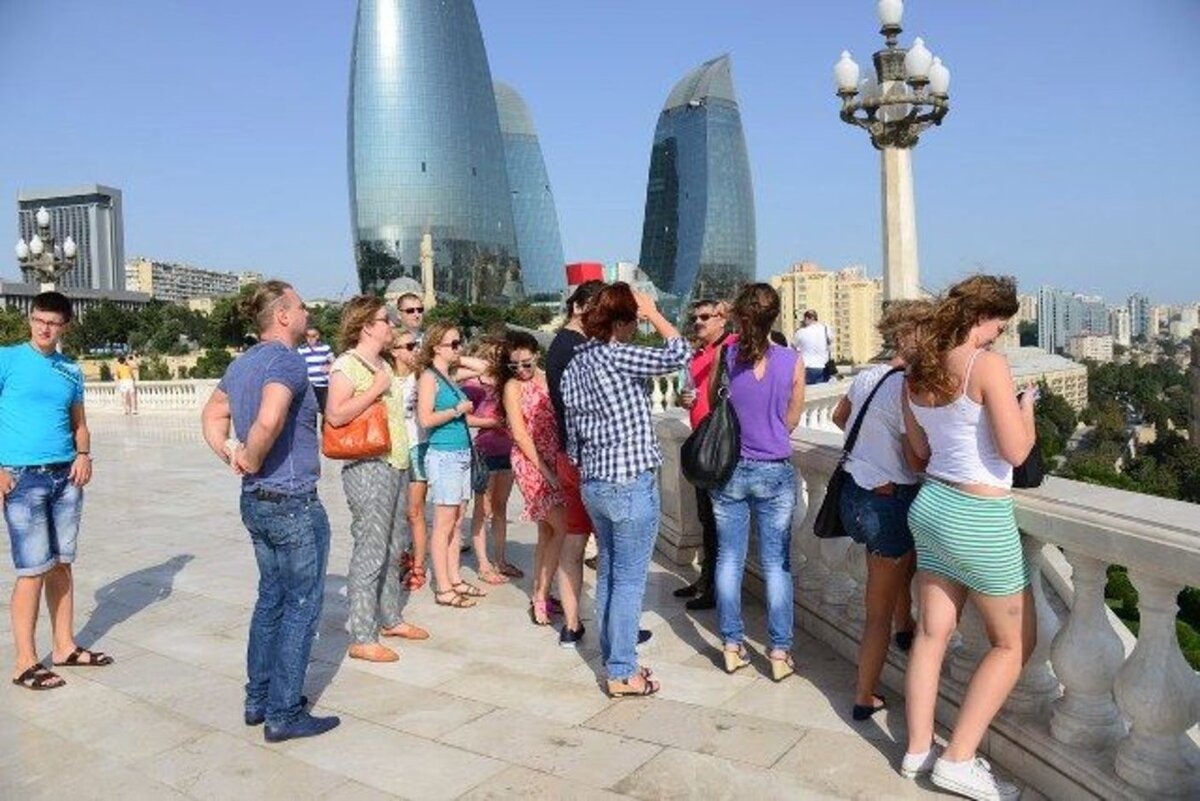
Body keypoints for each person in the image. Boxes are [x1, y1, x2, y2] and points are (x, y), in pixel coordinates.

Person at [899, 275, 1035, 800]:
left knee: (932, 636)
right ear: (985, 316)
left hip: (931, 504)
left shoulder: (918, 372)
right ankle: (957, 758)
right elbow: (1016, 452)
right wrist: (1025, 410)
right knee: (1015, 643)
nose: (1001, 333)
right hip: (978, 515)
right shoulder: (987, 365)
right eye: (1001, 323)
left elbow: (920, 453)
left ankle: (917, 749)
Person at [200, 280, 340, 742]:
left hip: (256, 500)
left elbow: (212, 414)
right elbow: (271, 416)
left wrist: (230, 455)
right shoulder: (286, 361)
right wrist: (252, 455)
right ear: (282, 315)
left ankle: (257, 699)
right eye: (301, 307)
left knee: (270, 600)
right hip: (292, 502)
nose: (307, 314)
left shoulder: (242, 363)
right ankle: (283, 712)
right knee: (300, 604)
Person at [561, 283, 688, 696]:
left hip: (595, 482)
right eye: (634, 320)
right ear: (620, 321)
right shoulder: (618, 354)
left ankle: (616, 659)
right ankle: (621, 671)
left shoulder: (576, 363)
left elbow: (573, 430)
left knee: (612, 575)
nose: (638, 326)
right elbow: (679, 353)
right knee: (629, 581)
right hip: (629, 483)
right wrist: (655, 313)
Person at [2, 292, 110, 692]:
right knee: (31, 571)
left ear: (65, 326)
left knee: (61, 563)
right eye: (39, 320)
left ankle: (64, 646)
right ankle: (25, 662)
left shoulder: (70, 370)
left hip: (66, 476)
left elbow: (78, 421)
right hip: (22, 477)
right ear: (30, 320)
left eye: (54, 323)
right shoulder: (7, 359)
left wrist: (84, 454)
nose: (45, 328)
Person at [830, 300, 932, 722]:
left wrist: (873, 450)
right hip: (886, 501)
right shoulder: (908, 386)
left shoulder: (868, 375)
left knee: (898, 568)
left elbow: (839, 418)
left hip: (853, 494)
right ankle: (864, 695)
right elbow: (917, 460)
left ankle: (904, 624)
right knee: (876, 612)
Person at [324, 296, 427, 664]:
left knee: (393, 544)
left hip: (395, 462)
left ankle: (390, 617)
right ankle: (363, 633)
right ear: (366, 326)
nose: (391, 325)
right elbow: (334, 416)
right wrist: (374, 389)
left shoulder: (381, 362)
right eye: (385, 320)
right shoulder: (346, 366)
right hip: (367, 466)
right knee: (370, 547)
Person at [710, 284, 806, 682]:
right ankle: (780, 652)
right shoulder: (793, 360)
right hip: (774, 468)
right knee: (776, 565)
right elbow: (793, 418)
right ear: (776, 317)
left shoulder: (728, 355)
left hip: (731, 469)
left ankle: (732, 645)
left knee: (729, 559)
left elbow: (718, 406)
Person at [500, 331, 578, 641]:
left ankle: (541, 591)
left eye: (526, 363)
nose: (521, 370)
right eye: (514, 365)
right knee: (560, 528)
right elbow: (519, 435)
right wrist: (545, 471)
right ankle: (540, 596)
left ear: (536, 356)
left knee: (547, 531)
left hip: (556, 458)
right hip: (531, 463)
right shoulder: (511, 387)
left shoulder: (549, 378)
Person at [416, 321, 484, 609]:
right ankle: (443, 586)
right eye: (453, 344)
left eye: (460, 342)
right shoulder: (429, 378)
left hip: (460, 453)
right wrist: (457, 409)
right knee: (443, 524)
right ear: (435, 347)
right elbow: (425, 419)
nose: (459, 348)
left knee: (457, 522)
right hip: (443, 454)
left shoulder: (449, 375)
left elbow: (482, 367)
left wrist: (455, 353)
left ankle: (454, 578)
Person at [675, 299, 735, 611]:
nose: (698, 322)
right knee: (706, 518)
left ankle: (716, 588)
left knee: (719, 521)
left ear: (723, 318)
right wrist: (685, 400)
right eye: (695, 317)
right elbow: (691, 395)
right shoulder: (697, 353)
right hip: (701, 442)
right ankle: (706, 580)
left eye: (705, 317)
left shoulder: (733, 348)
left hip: (722, 444)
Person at [545, 280, 604, 582]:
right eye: (596, 310)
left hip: (570, 452)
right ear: (578, 307)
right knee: (604, 541)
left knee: (576, 535)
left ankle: (572, 622)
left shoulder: (564, 344)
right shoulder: (576, 347)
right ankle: (613, 624)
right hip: (587, 455)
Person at [460, 339, 514, 586]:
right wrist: (492, 423)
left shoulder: (510, 384)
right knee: (483, 510)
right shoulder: (473, 385)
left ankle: (501, 559)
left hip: (508, 451)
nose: (496, 361)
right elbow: (463, 419)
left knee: (500, 508)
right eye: (492, 356)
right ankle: (483, 564)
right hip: (485, 452)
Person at [297, 326, 334, 411]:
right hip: (309, 386)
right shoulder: (301, 350)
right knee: (310, 410)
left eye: (313, 336)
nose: (310, 339)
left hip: (323, 385)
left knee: (325, 409)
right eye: (308, 336)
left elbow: (335, 363)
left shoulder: (325, 348)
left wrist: (329, 367)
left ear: (318, 336)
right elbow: (298, 365)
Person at [792, 310, 833, 385]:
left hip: (807, 368)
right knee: (821, 393)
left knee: (808, 394)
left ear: (807, 319)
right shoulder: (825, 329)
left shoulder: (800, 332)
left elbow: (793, 347)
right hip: (823, 368)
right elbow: (830, 342)